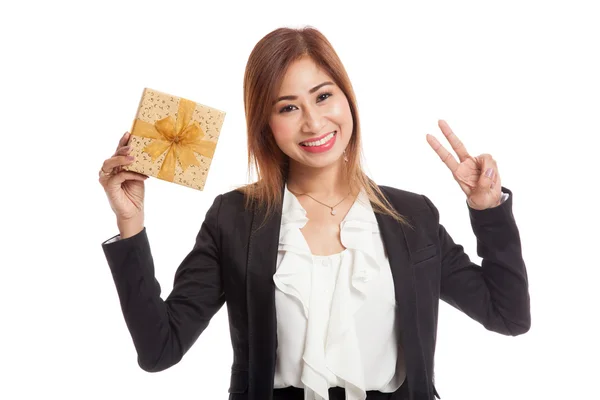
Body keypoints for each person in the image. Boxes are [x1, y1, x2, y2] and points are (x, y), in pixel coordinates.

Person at [98, 27, 530, 400]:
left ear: (347, 98)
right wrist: (130, 224)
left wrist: (487, 209)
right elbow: (159, 350)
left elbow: (508, 316)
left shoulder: (411, 215)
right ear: (265, 125)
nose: (313, 122)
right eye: (288, 107)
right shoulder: (235, 217)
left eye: (323, 96)